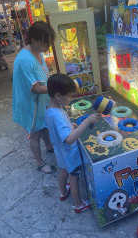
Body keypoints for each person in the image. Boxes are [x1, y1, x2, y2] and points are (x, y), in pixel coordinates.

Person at [45, 73, 101, 213]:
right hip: (69, 153)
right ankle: (78, 205)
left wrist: (71, 126)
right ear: (58, 95)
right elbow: (69, 139)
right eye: (69, 96)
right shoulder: (57, 114)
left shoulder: (50, 108)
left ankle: (63, 193)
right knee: (74, 178)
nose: (71, 99)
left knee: (63, 172)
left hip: (60, 151)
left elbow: (59, 131)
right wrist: (87, 121)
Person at [12, 21, 57, 174]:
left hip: (39, 103)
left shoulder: (37, 52)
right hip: (30, 104)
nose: (47, 47)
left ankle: (50, 147)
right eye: (45, 43)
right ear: (33, 39)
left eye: (49, 43)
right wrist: (56, 89)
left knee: (43, 124)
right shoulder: (26, 59)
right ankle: (39, 163)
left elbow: (43, 74)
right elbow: (36, 88)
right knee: (35, 134)